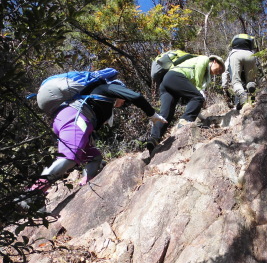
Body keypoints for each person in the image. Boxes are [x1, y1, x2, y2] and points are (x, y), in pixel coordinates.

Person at [30, 76, 166, 193]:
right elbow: (137, 97)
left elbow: (91, 127)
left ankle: (85, 184)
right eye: (124, 100)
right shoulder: (107, 88)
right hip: (74, 117)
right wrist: (152, 115)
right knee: (68, 157)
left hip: (70, 119)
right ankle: (31, 195)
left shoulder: (100, 102)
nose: (124, 103)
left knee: (94, 157)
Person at [147, 54, 225, 152]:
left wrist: (201, 116)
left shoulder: (203, 73)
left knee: (166, 114)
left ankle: (154, 139)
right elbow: (198, 81)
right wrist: (199, 92)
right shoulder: (204, 59)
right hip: (175, 76)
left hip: (167, 81)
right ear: (214, 61)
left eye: (221, 72)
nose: (219, 72)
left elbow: (191, 99)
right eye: (220, 68)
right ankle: (185, 122)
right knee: (198, 97)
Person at [222, 34, 257, 109]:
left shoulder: (232, 53)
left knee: (236, 82)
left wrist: (224, 85)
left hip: (236, 56)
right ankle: (252, 101)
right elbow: (255, 71)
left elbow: (225, 70)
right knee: (250, 81)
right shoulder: (250, 51)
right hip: (250, 55)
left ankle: (242, 96)